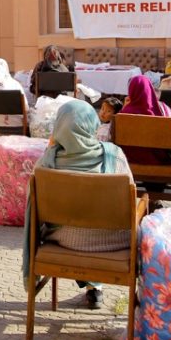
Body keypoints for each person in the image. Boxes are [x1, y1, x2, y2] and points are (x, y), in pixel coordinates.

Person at [23, 100, 135, 309]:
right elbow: (130, 200)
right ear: (92, 124)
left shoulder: (47, 163)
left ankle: (93, 286)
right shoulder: (115, 155)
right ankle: (95, 287)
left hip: (64, 241)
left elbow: (32, 203)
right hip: (114, 242)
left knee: (72, 224)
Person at [118, 75, 171, 165]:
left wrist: (124, 108)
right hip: (160, 161)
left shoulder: (124, 113)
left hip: (129, 161)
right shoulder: (163, 109)